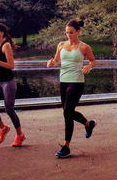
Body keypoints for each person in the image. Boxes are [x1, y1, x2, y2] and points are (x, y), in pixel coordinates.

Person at [47, 19, 97, 158]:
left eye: (71, 32)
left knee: (67, 111)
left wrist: (88, 67)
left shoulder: (84, 47)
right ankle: (88, 124)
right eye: (67, 32)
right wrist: (51, 63)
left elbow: (93, 61)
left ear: (78, 32)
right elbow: (56, 61)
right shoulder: (61, 45)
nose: (69, 35)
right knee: (67, 112)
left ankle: (66, 146)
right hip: (63, 80)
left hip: (76, 81)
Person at [0, 23, 26, 147]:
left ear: (2, 33)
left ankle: (20, 135)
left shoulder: (6, 46)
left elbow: (11, 66)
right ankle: (3, 129)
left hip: (8, 82)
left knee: (9, 109)